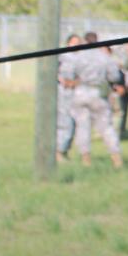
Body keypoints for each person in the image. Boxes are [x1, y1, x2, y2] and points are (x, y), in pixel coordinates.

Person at [58, 31, 125, 168]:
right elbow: (114, 77)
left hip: (80, 93)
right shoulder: (104, 57)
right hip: (98, 94)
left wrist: (77, 79)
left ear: (84, 41)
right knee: (106, 127)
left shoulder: (77, 57)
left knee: (83, 127)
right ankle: (116, 159)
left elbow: (67, 75)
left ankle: (86, 159)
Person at [54, 33, 83, 162]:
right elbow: (52, 70)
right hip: (63, 92)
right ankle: (59, 151)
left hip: (77, 93)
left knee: (74, 123)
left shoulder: (83, 57)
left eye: (78, 42)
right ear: (68, 43)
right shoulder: (62, 56)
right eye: (74, 42)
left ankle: (64, 150)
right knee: (65, 122)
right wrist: (62, 80)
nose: (76, 44)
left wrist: (76, 82)